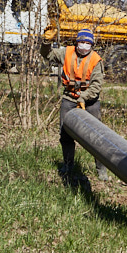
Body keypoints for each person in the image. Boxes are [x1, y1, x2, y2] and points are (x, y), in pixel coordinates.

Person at [41, 29, 109, 181]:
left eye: (87, 43)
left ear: (92, 45)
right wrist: (46, 42)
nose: (84, 46)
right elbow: (48, 54)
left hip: (90, 102)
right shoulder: (66, 52)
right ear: (76, 43)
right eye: (81, 42)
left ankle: (101, 170)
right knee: (65, 134)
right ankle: (68, 166)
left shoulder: (96, 60)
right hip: (69, 98)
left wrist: (84, 97)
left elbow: (96, 86)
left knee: (97, 136)